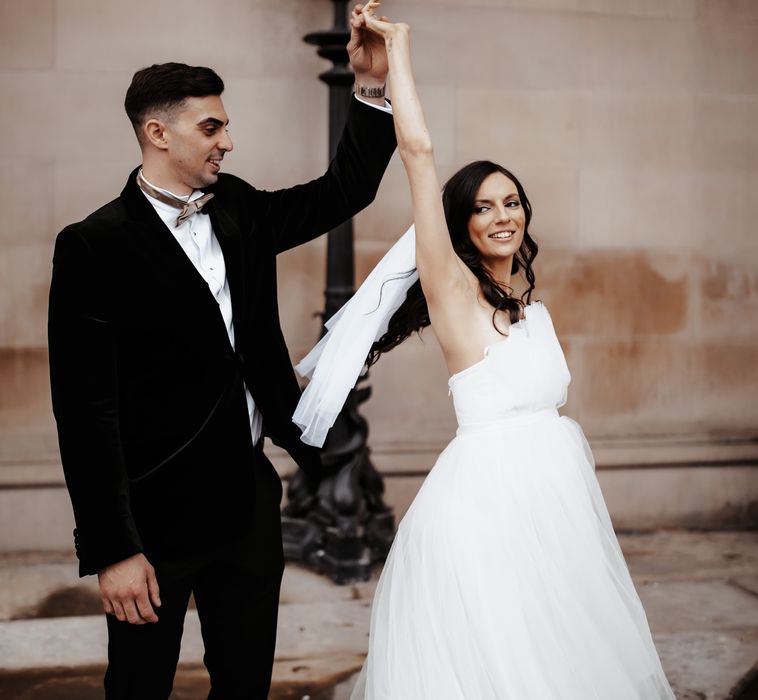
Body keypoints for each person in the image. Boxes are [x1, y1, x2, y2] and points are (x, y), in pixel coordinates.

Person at [294, 2, 677, 698]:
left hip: (554, 501)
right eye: (484, 207)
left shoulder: (535, 312)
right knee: (500, 660)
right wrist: (396, 57)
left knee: (561, 650)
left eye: (512, 203)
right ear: (461, 226)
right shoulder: (451, 292)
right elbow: (418, 153)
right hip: (484, 506)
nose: (502, 217)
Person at [46, 7, 396, 699]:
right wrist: (114, 550)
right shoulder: (93, 245)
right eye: (212, 127)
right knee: (140, 687)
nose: (228, 142)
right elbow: (86, 412)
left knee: (245, 686)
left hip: (248, 503)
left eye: (225, 125)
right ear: (157, 131)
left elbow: (343, 191)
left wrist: (371, 88)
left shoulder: (234, 207)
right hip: (156, 522)